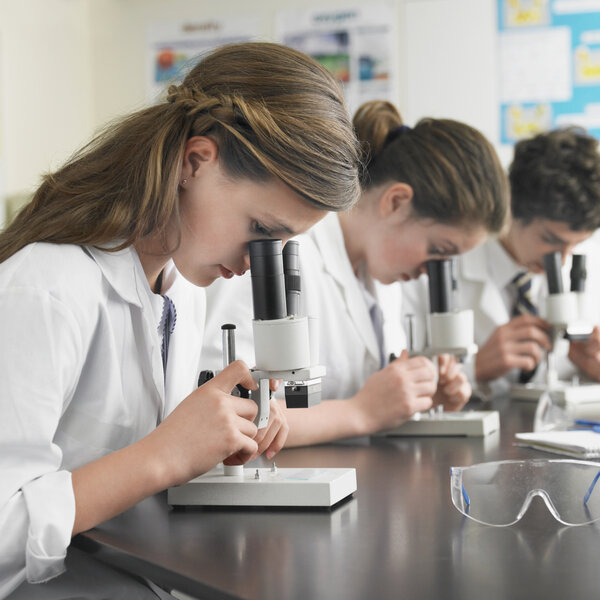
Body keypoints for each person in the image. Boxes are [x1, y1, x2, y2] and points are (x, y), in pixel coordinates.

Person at [0, 42, 361, 599]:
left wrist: (208, 447)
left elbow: (118, 467)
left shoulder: (178, 291)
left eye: (280, 246)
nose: (249, 265)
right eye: (260, 231)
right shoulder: (46, 289)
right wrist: (164, 455)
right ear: (196, 161)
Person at [201, 100, 509, 447]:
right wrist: (361, 411)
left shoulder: (383, 277)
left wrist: (419, 398)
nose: (429, 273)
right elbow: (222, 411)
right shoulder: (280, 245)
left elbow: (373, 399)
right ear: (395, 202)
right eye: (438, 251)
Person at [401, 126, 600, 399]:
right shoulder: (438, 263)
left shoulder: (580, 273)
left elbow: (561, 382)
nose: (563, 260)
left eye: (575, 245)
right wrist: (476, 367)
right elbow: (399, 371)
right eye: (550, 240)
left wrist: (587, 367)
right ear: (513, 209)